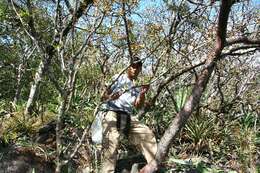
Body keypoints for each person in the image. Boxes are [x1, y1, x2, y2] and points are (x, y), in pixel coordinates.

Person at [99, 57, 158, 173]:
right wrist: (110, 97)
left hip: (127, 116)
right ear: (128, 67)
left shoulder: (137, 86)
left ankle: (153, 167)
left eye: (138, 67)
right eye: (133, 66)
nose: (135, 70)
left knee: (147, 133)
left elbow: (138, 106)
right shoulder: (118, 77)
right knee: (112, 140)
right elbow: (103, 96)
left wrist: (142, 93)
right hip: (112, 112)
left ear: (140, 69)